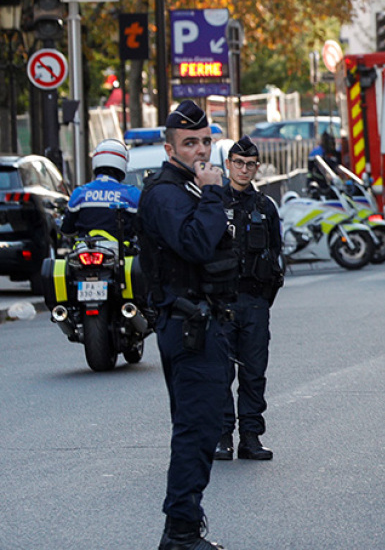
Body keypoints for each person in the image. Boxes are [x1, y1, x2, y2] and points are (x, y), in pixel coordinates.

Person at [137, 101, 238, 550]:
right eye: (190, 143)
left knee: (201, 426)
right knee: (196, 430)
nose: (200, 151)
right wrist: (215, 194)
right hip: (187, 324)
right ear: (169, 147)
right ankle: (180, 533)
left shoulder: (192, 188)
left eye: (205, 142)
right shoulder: (165, 192)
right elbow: (196, 244)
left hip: (206, 321)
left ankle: (181, 529)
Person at [213, 136, 284, 463]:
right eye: (238, 163)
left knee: (254, 372)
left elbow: (275, 255)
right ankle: (223, 436)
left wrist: (264, 297)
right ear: (227, 165)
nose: (243, 169)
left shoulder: (265, 207)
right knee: (221, 372)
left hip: (255, 301)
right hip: (221, 300)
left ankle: (251, 437)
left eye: (250, 164)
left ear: (257, 167)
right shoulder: (212, 203)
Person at [61, 138, 140, 239]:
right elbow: (142, 227)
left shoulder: (79, 193)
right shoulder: (132, 194)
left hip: (85, 249)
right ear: (123, 164)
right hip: (120, 252)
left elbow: (67, 229)